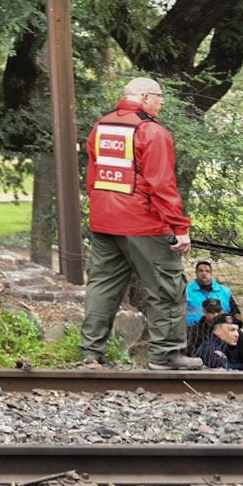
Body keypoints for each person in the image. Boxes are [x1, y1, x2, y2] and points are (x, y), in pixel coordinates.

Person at [77, 76, 203, 371]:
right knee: (168, 287)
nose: (162, 102)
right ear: (145, 97)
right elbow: (162, 185)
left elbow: (94, 176)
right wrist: (179, 227)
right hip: (143, 223)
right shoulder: (152, 132)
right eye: (159, 96)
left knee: (103, 287)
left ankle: (90, 354)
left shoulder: (101, 127)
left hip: (105, 222)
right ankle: (167, 355)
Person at [184, 259, 238, 328]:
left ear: (211, 273)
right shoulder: (186, 291)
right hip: (193, 331)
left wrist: (238, 325)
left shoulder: (225, 291)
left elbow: (235, 311)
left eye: (207, 271)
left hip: (221, 330)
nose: (204, 273)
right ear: (196, 273)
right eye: (201, 271)